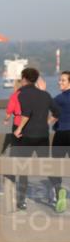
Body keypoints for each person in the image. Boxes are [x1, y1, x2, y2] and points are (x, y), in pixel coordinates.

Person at [12, 67, 61, 212]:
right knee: (46, 165)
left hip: (27, 136)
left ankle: (21, 201)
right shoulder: (45, 95)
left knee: (23, 168)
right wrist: (48, 122)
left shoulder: (21, 94)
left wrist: (19, 129)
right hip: (43, 136)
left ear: (24, 78)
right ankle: (58, 190)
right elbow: (57, 112)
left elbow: (27, 113)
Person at [52, 70, 70, 214]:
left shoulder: (58, 98)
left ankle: (59, 192)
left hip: (61, 135)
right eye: (59, 80)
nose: (59, 82)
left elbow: (52, 115)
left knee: (56, 166)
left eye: (63, 80)